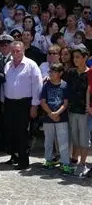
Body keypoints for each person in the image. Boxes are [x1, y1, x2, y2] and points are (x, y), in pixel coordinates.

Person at [2, 41, 43, 170]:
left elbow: (38, 86)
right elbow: (4, 85)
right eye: (13, 51)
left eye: (18, 51)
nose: (15, 53)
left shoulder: (31, 65)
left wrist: (35, 105)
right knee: (11, 131)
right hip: (9, 103)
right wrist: (3, 101)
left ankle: (23, 161)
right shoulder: (8, 65)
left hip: (24, 103)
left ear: (23, 50)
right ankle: (14, 156)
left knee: (22, 132)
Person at [40, 63, 73, 174]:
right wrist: (50, 113)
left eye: (53, 72)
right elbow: (43, 101)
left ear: (60, 73)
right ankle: (48, 160)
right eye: (50, 71)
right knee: (48, 140)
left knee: (63, 141)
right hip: (48, 117)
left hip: (61, 117)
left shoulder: (65, 85)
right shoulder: (46, 85)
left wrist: (57, 113)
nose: (51, 74)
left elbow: (66, 103)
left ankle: (65, 163)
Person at [66, 48, 90, 177]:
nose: (75, 59)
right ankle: (74, 161)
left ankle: (83, 164)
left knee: (84, 139)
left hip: (85, 111)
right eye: (74, 57)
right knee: (75, 137)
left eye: (78, 57)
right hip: (72, 109)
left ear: (85, 57)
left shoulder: (90, 73)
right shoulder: (70, 72)